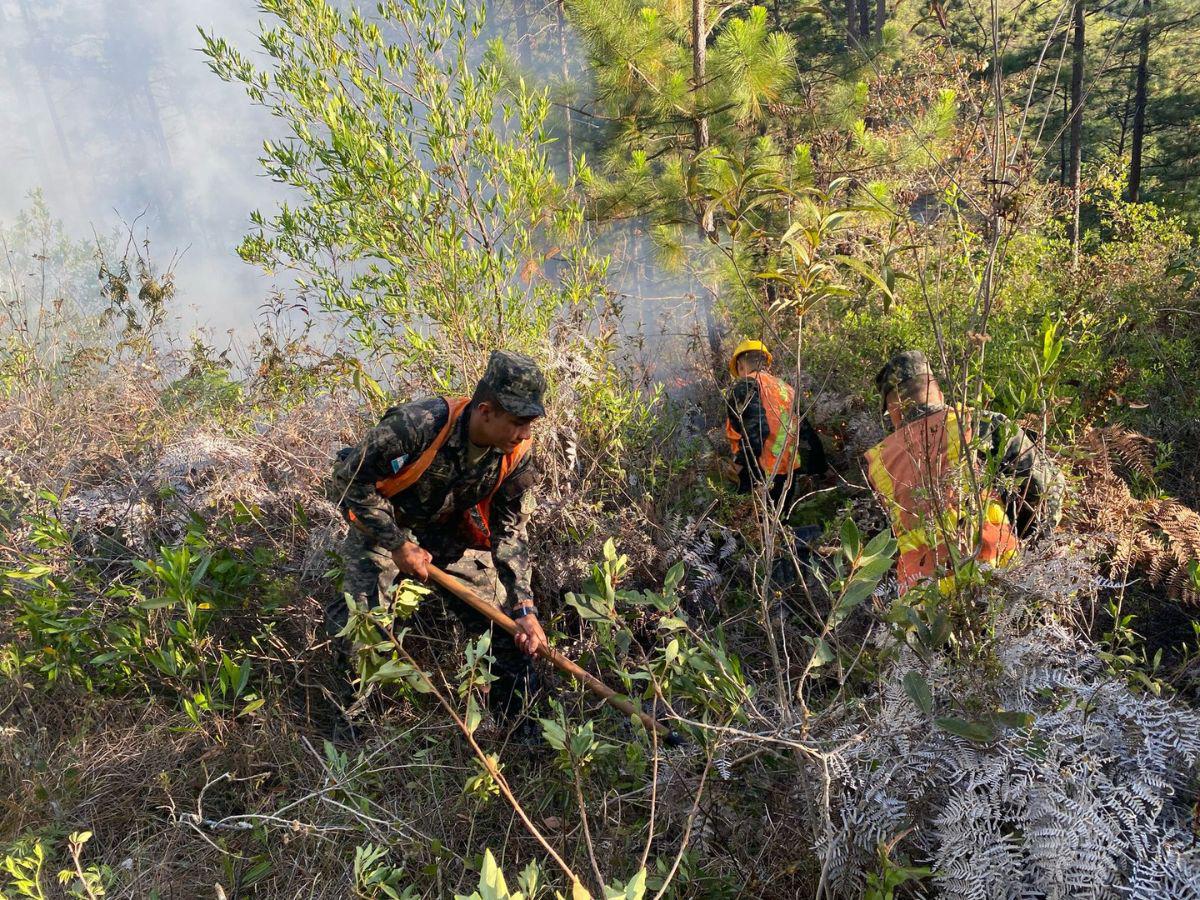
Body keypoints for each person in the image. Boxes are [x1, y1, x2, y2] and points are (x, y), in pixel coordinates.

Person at [329, 350, 548, 720]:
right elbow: (350, 480)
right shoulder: (416, 425)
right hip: (386, 528)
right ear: (485, 411)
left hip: (446, 531)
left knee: (504, 626)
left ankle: (521, 729)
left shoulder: (517, 453)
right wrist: (398, 545)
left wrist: (524, 608)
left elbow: (509, 532)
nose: (525, 433)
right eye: (517, 422)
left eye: (530, 422)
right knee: (362, 628)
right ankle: (350, 727)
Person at [864, 350, 1065, 595]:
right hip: (997, 575)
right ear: (936, 389)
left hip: (923, 598)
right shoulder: (978, 422)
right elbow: (1045, 488)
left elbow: (883, 541)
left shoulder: (879, 461)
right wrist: (1034, 543)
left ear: (893, 408)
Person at [724, 339, 828, 514]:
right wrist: (820, 466)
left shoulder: (745, 386)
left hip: (760, 472)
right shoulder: (785, 388)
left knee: (753, 527)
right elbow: (805, 429)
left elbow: (756, 429)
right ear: (766, 364)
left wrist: (742, 463)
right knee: (778, 523)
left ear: (741, 366)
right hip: (788, 471)